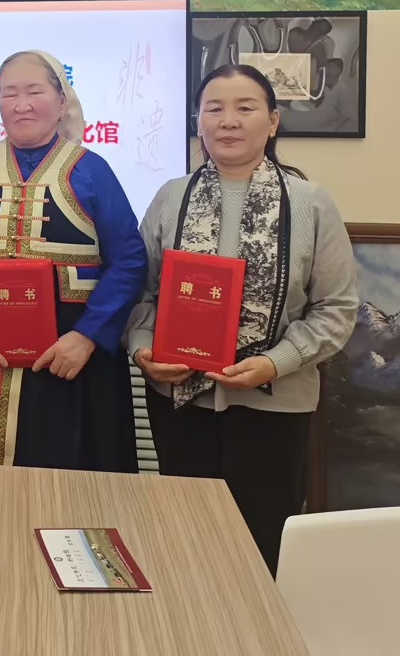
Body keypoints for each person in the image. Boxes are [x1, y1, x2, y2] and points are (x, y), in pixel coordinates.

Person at [125, 64, 358, 576]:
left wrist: (276, 363)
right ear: (198, 121)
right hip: (180, 403)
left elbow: (337, 308)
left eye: (245, 108)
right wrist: (143, 348)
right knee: (183, 546)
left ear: (272, 121)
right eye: (214, 108)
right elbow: (142, 293)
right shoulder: (171, 196)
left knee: (259, 548)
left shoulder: (310, 203)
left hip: (274, 407)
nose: (228, 120)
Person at [0, 51, 147, 471]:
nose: (21, 104)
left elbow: (128, 261)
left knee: (68, 481)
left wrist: (87, 336)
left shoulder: (92, 170)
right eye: (9, 93)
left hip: (69, 356)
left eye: (34, 91)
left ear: (61, 101)